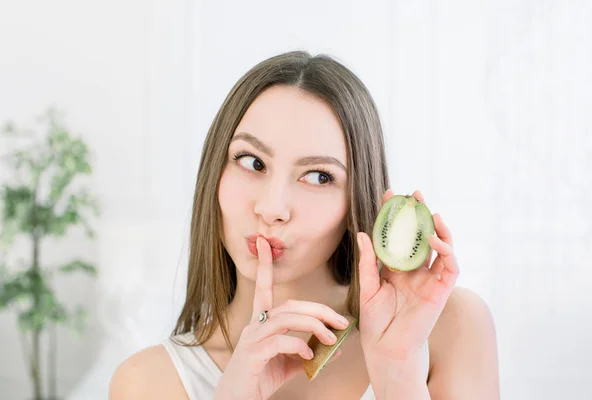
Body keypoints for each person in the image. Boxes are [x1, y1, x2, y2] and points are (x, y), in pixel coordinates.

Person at [109, 50, 500, 399]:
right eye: (252, 162)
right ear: (215, 171)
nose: (272, 208)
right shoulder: (148, 382)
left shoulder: (446, 328)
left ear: (356, 201)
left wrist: (396, 370)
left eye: (318, 177)